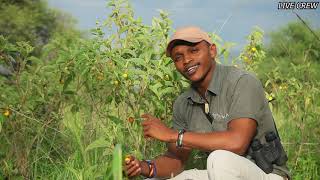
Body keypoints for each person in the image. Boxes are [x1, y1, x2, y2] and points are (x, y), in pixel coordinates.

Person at [124, 26, 290, 180]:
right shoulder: (183, 103)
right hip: (221, 174)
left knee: (218, 159)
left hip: (267, 175)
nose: (186, 60)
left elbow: (237, 143)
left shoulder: (242, 82)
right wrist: (145, 167)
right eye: (178, 57)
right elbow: (176, 160)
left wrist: (173, 135)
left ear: (212, 50)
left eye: (194, 51)